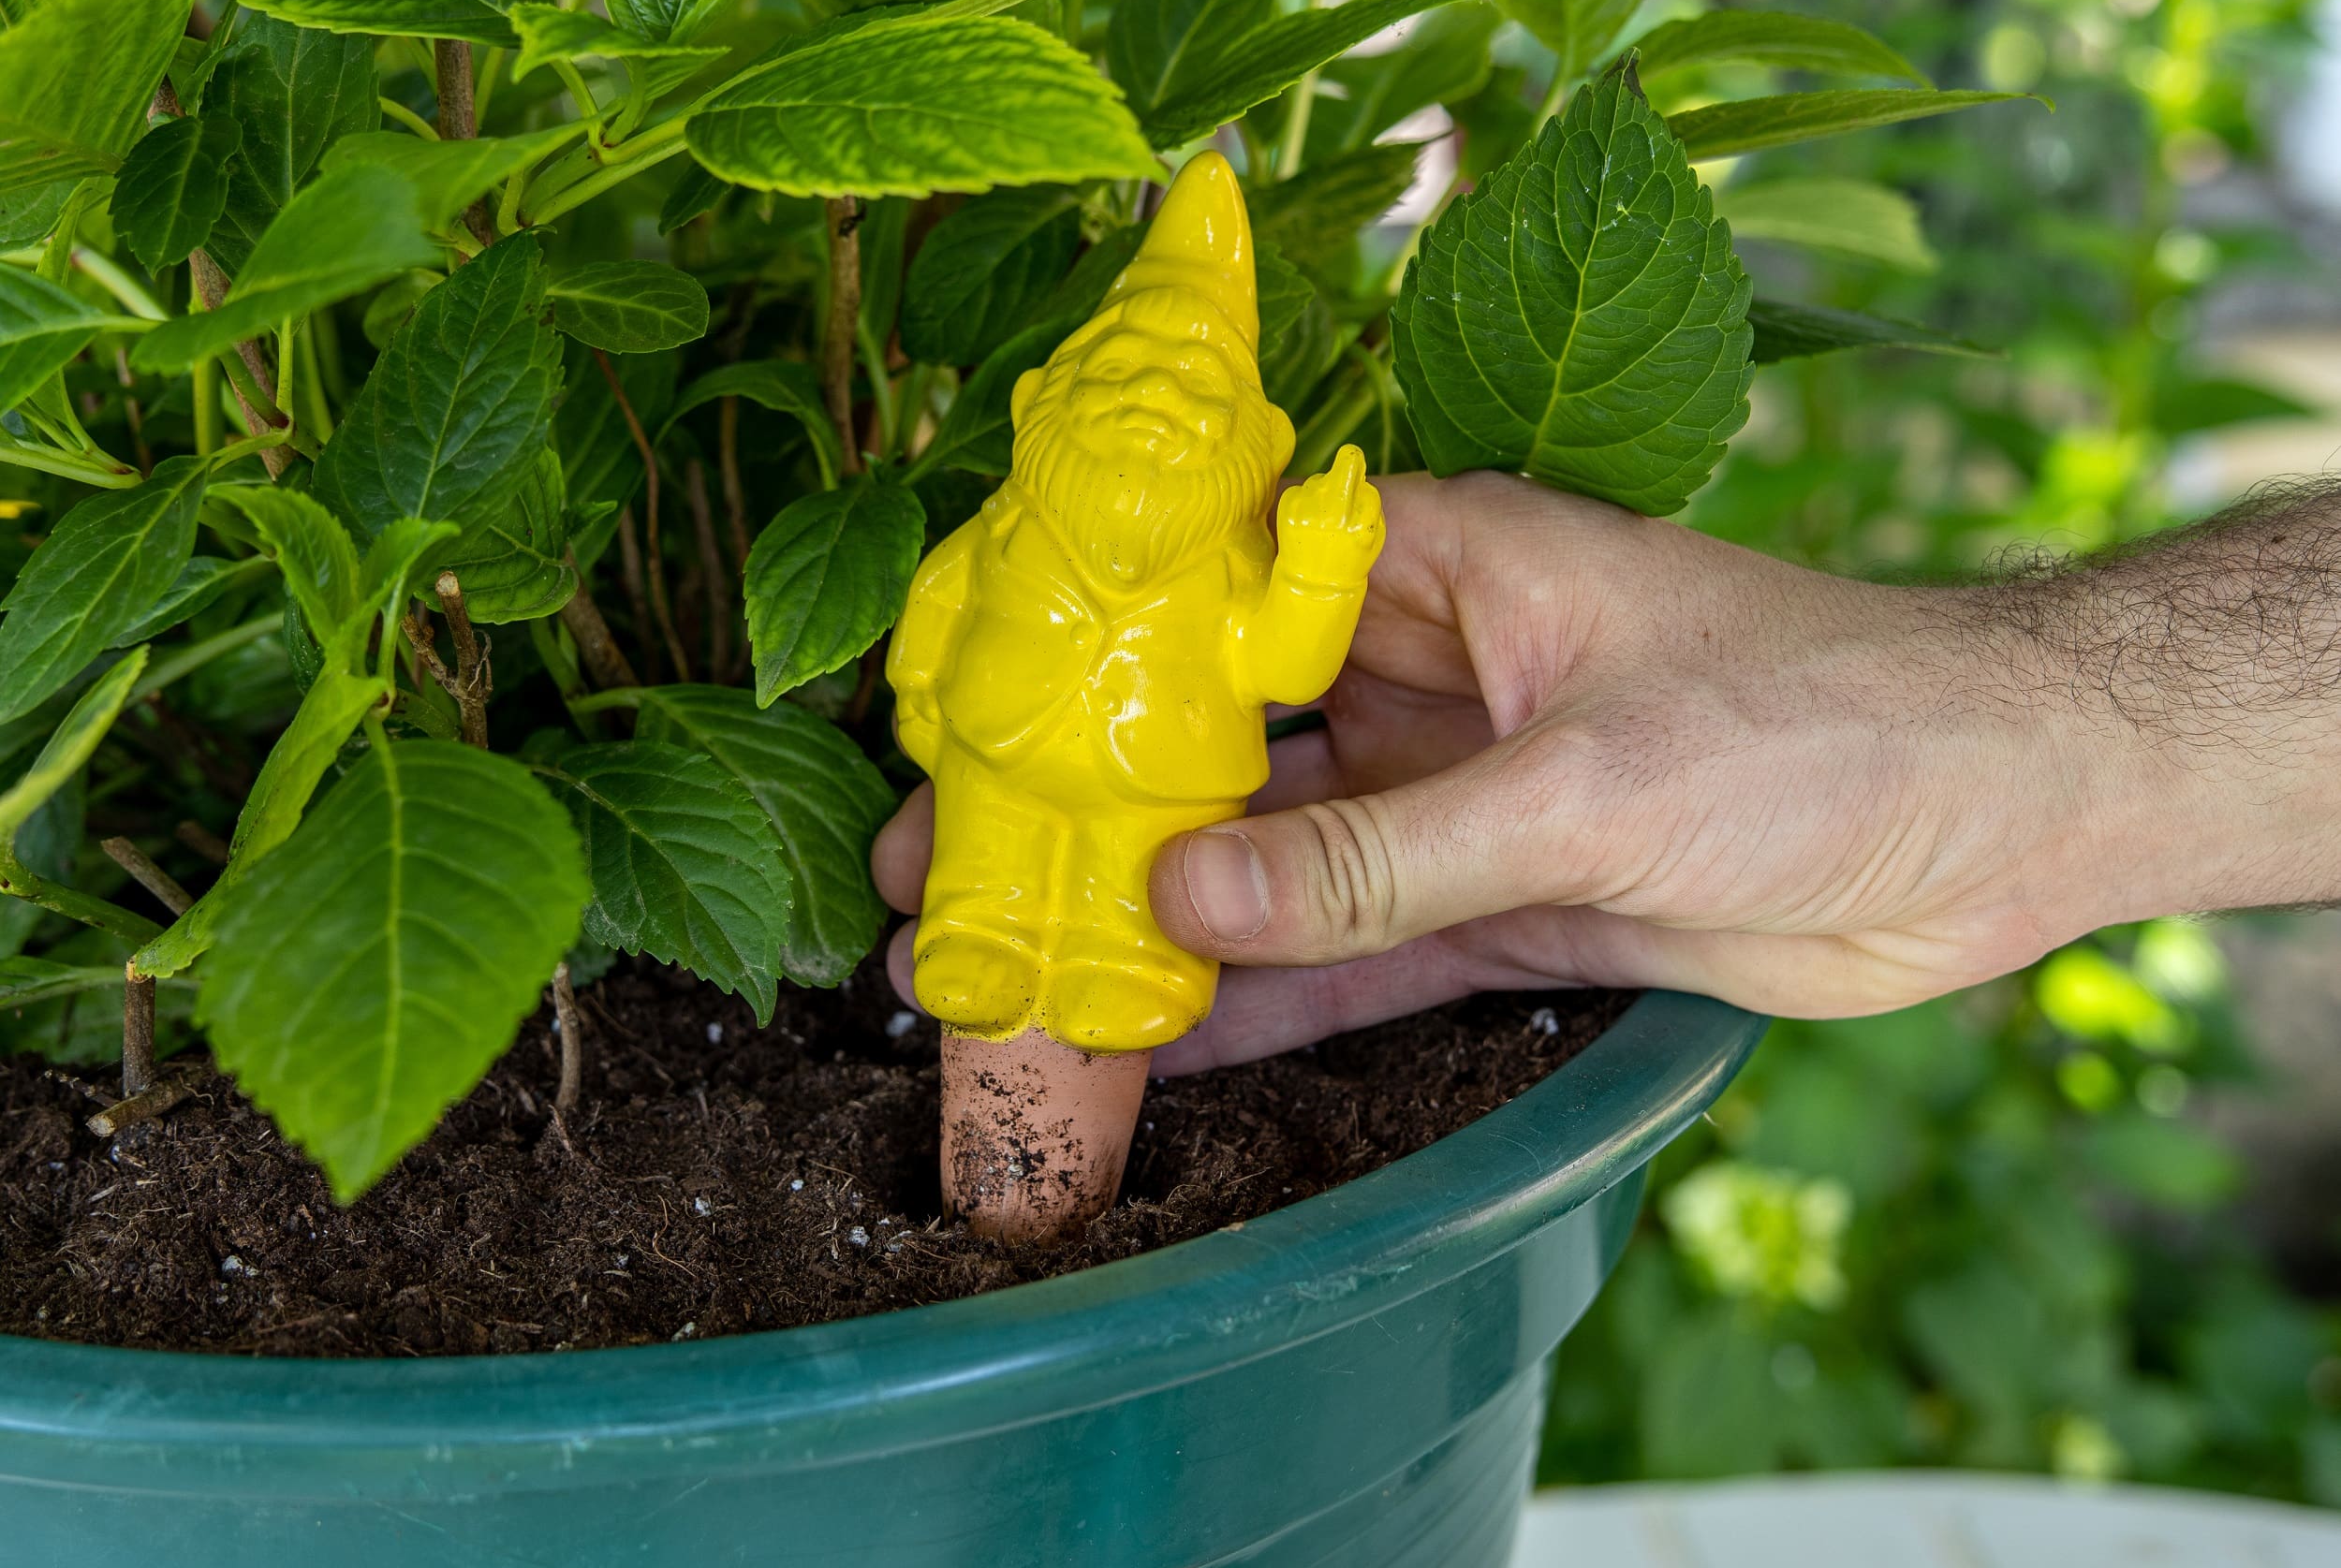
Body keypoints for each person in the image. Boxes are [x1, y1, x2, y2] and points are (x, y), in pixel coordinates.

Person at [875, 468, 2341, 1067]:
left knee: (1131, 936)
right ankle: (985, 936)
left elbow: (1277, 652)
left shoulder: (1203, 579)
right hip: (1012, 776)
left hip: (1146, 797)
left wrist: (1321, 565)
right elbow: (929, 632)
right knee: (982, 886)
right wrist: (936, 690)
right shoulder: (1002, 547)